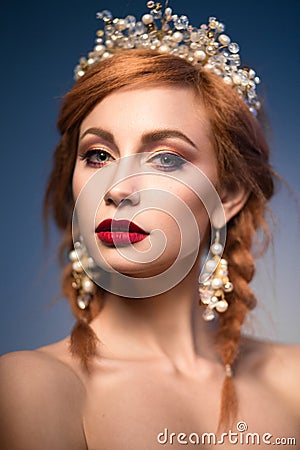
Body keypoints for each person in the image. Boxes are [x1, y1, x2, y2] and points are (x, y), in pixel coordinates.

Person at [0, 3, 299, 449]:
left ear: (229, 193)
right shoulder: (33, 387)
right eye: (98, 155)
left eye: (166, 159)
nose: (117, 188)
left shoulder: (293, 382)